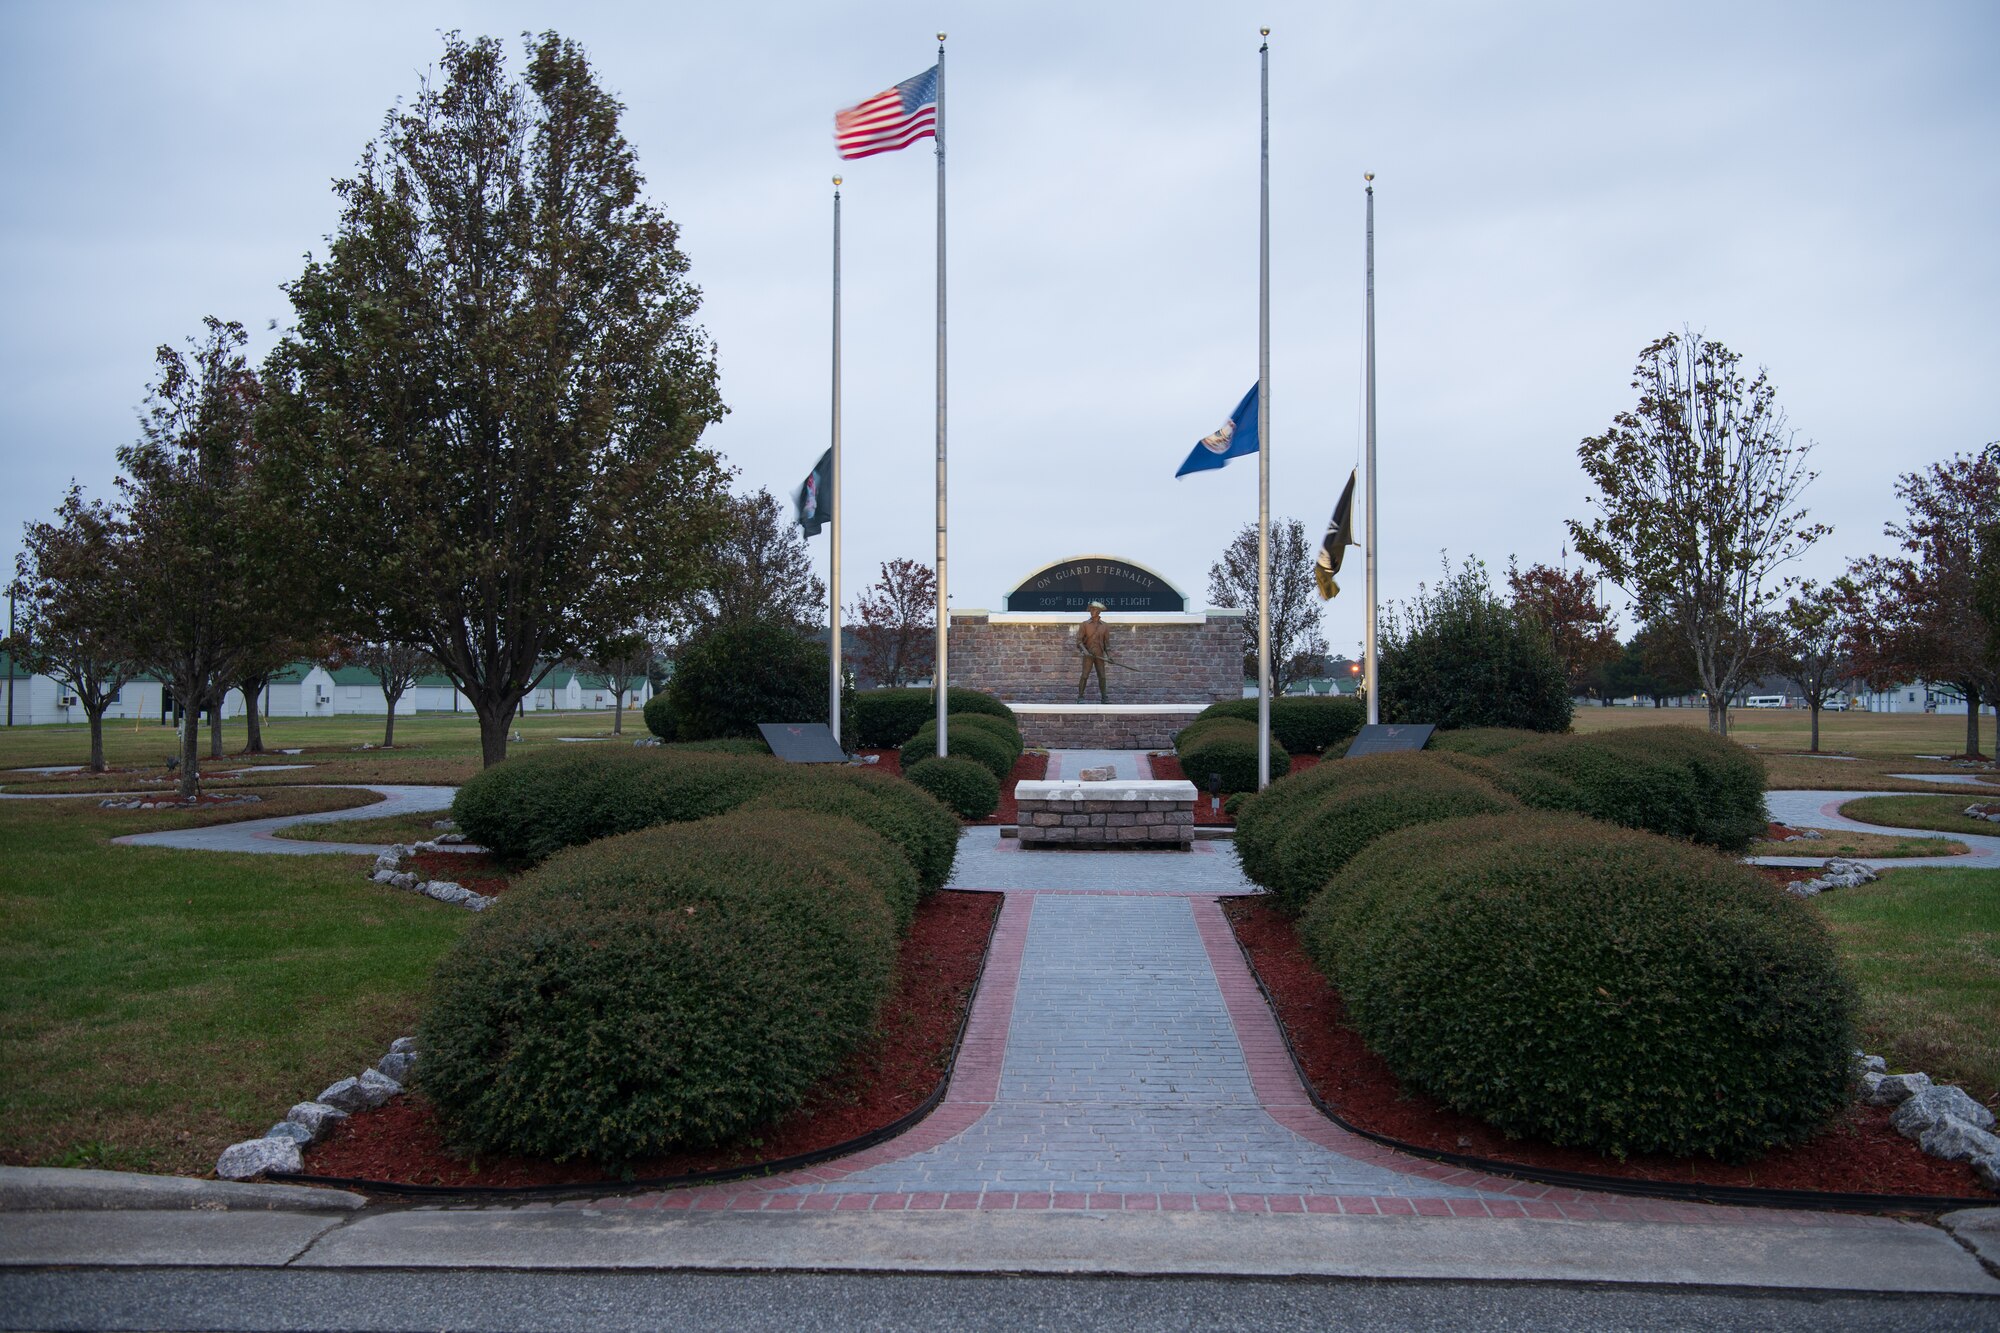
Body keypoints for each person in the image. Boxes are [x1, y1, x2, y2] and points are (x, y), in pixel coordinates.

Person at [1075, 602, 1111, 703]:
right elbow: (1079, 641)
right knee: (1085, 675)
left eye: (1094, 610)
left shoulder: (1105, 626)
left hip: (1099, 655)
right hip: (1088, 655)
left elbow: (1107, 644)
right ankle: (1080, 697)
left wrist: (1109, 656)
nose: (1091, 612)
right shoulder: (1084, 624)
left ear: (1099, 612)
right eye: (1090, 610)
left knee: (1102, 676)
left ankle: (1104, 698)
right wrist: (1085, 651)